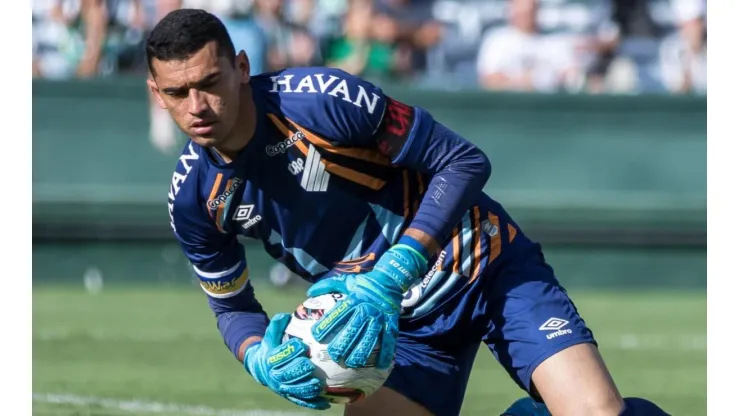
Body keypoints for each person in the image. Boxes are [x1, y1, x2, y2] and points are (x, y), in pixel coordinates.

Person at [148, 8, 670, 416]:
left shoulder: (319, 101)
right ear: (157, 94)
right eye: (177, 92)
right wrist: (260, 359)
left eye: (210, 83)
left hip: (485, 267)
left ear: (240, 68)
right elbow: (233, 308)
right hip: (392, 332)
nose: (196, 105)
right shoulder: (193, 199)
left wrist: (399, 265)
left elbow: (463, 162)